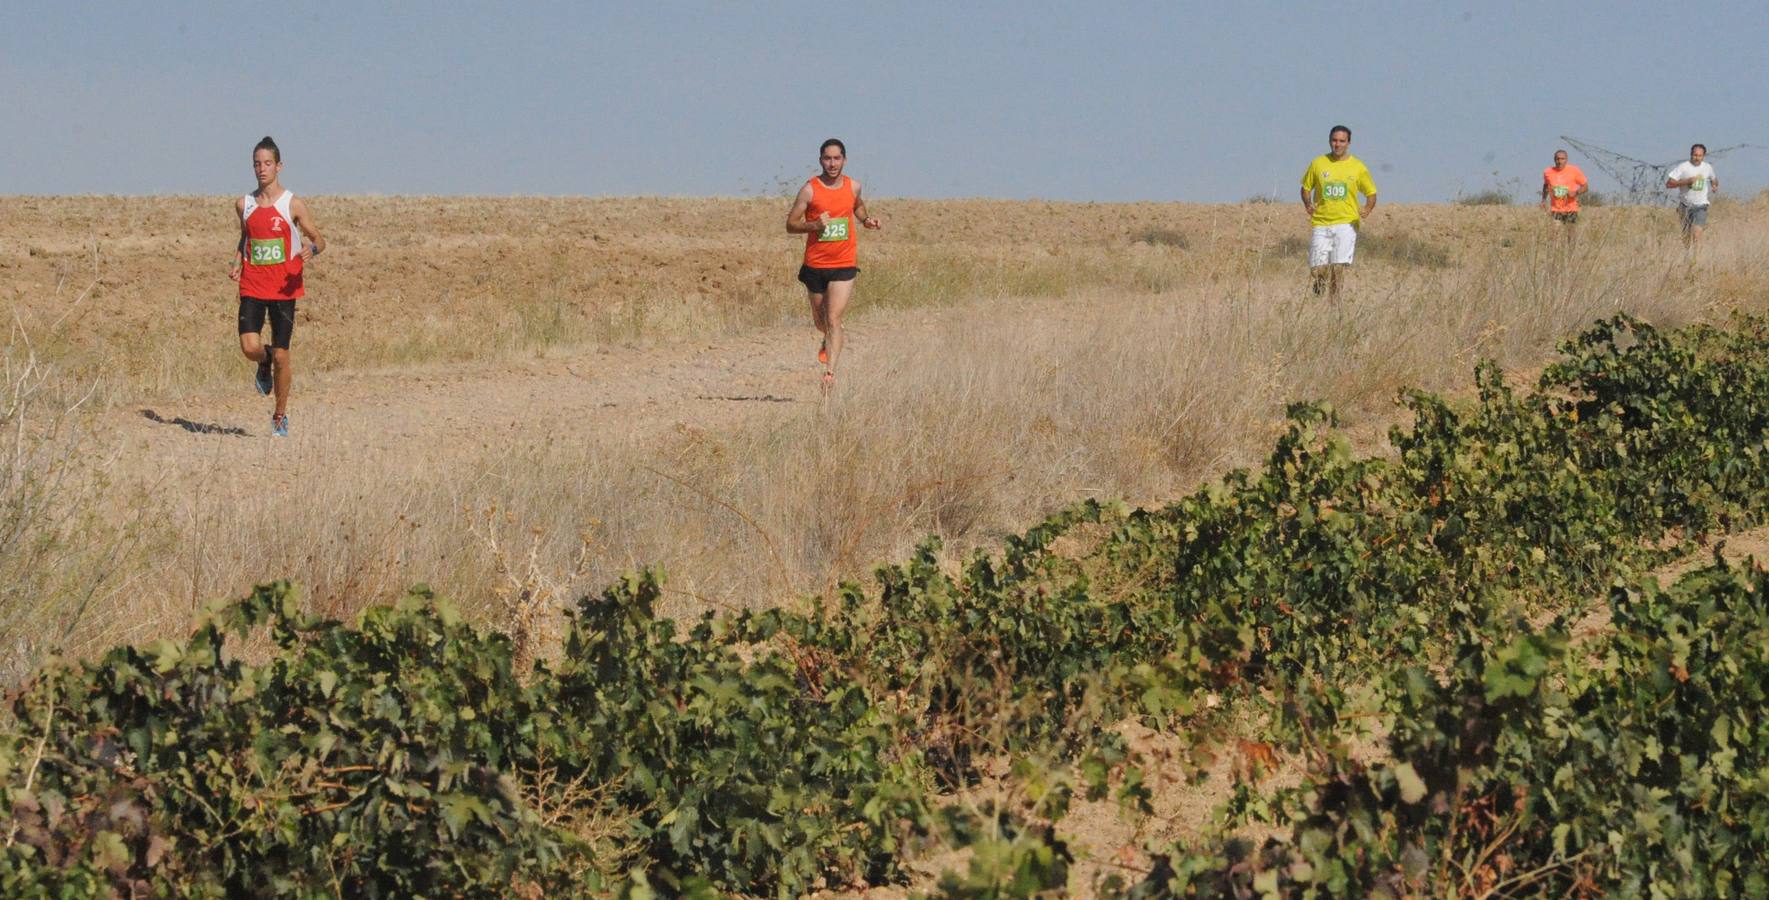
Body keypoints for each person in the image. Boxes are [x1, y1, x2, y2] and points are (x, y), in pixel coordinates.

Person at [229, 136, 325, 437]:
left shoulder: (293, 204)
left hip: (285, 289)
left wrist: (313, 249)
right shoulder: (243, 204)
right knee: (249, 348)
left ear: (279, 166)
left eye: (267, 163)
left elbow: (319, 238)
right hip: (253, 286)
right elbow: (246, 237)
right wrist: (236, 261)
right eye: (257, 164)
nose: (262, 169)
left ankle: (280, 415)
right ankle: (264, 360)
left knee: (285, 356)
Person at [785, 138, 880, 390]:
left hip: (844, 262)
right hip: (816, 264)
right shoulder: (810, 190)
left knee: (834, 317)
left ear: (844, 160)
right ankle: (826, 338)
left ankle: (829, 374)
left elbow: (857, 206)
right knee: (821, 321)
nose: (832, 163)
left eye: (837, 158)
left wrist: (866, 220)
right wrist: (815, 225)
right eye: (827, 158)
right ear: (820, 161)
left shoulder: (853, 187)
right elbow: (790, 224)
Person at [1299, 126, 1377, 301]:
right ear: (1329, 141)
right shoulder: (1318, 163)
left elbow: (1371, 193)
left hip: (1346, 223)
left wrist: (1367, 209)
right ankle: (1320, 280)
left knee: (1338, 267)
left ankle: (1334, 306)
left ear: (1348, 143)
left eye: (1342, 141)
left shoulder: (1358, 167)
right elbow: (1305, 188)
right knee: (1318, 267)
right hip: (1321, 222)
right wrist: (1308, 203)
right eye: (1335, 140)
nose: (1338, 144)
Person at [1665, 143, 1718, 247]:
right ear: (1691, 154)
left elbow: (1714, 179)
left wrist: (1714, 186)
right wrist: (1686, 182)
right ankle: (1687, 253)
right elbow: (1669, 184)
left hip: (1701, 205)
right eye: (1695, 155)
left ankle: (1696, 255)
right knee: (1686, 234)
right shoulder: (1683, 167)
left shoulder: (1707, 167)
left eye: (1699, 155)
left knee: (1696, 232)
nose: (1697, 158)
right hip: (1685, 205)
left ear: (1703, 156)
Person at [1541, 149, 1589, 237]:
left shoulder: (1574, 170)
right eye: (1557, 159)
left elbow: (1585, 186)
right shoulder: (1548, 172)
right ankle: (1554, 251)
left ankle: (1571, 251)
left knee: (1571, 234)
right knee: (1554, 234)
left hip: (1570, 208)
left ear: (1566, 159)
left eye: (1562, 159)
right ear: (1554, 160)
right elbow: (1546, 185)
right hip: (1556, 209)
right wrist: (1543, 200)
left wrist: (1575, 192)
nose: (1560, 161)